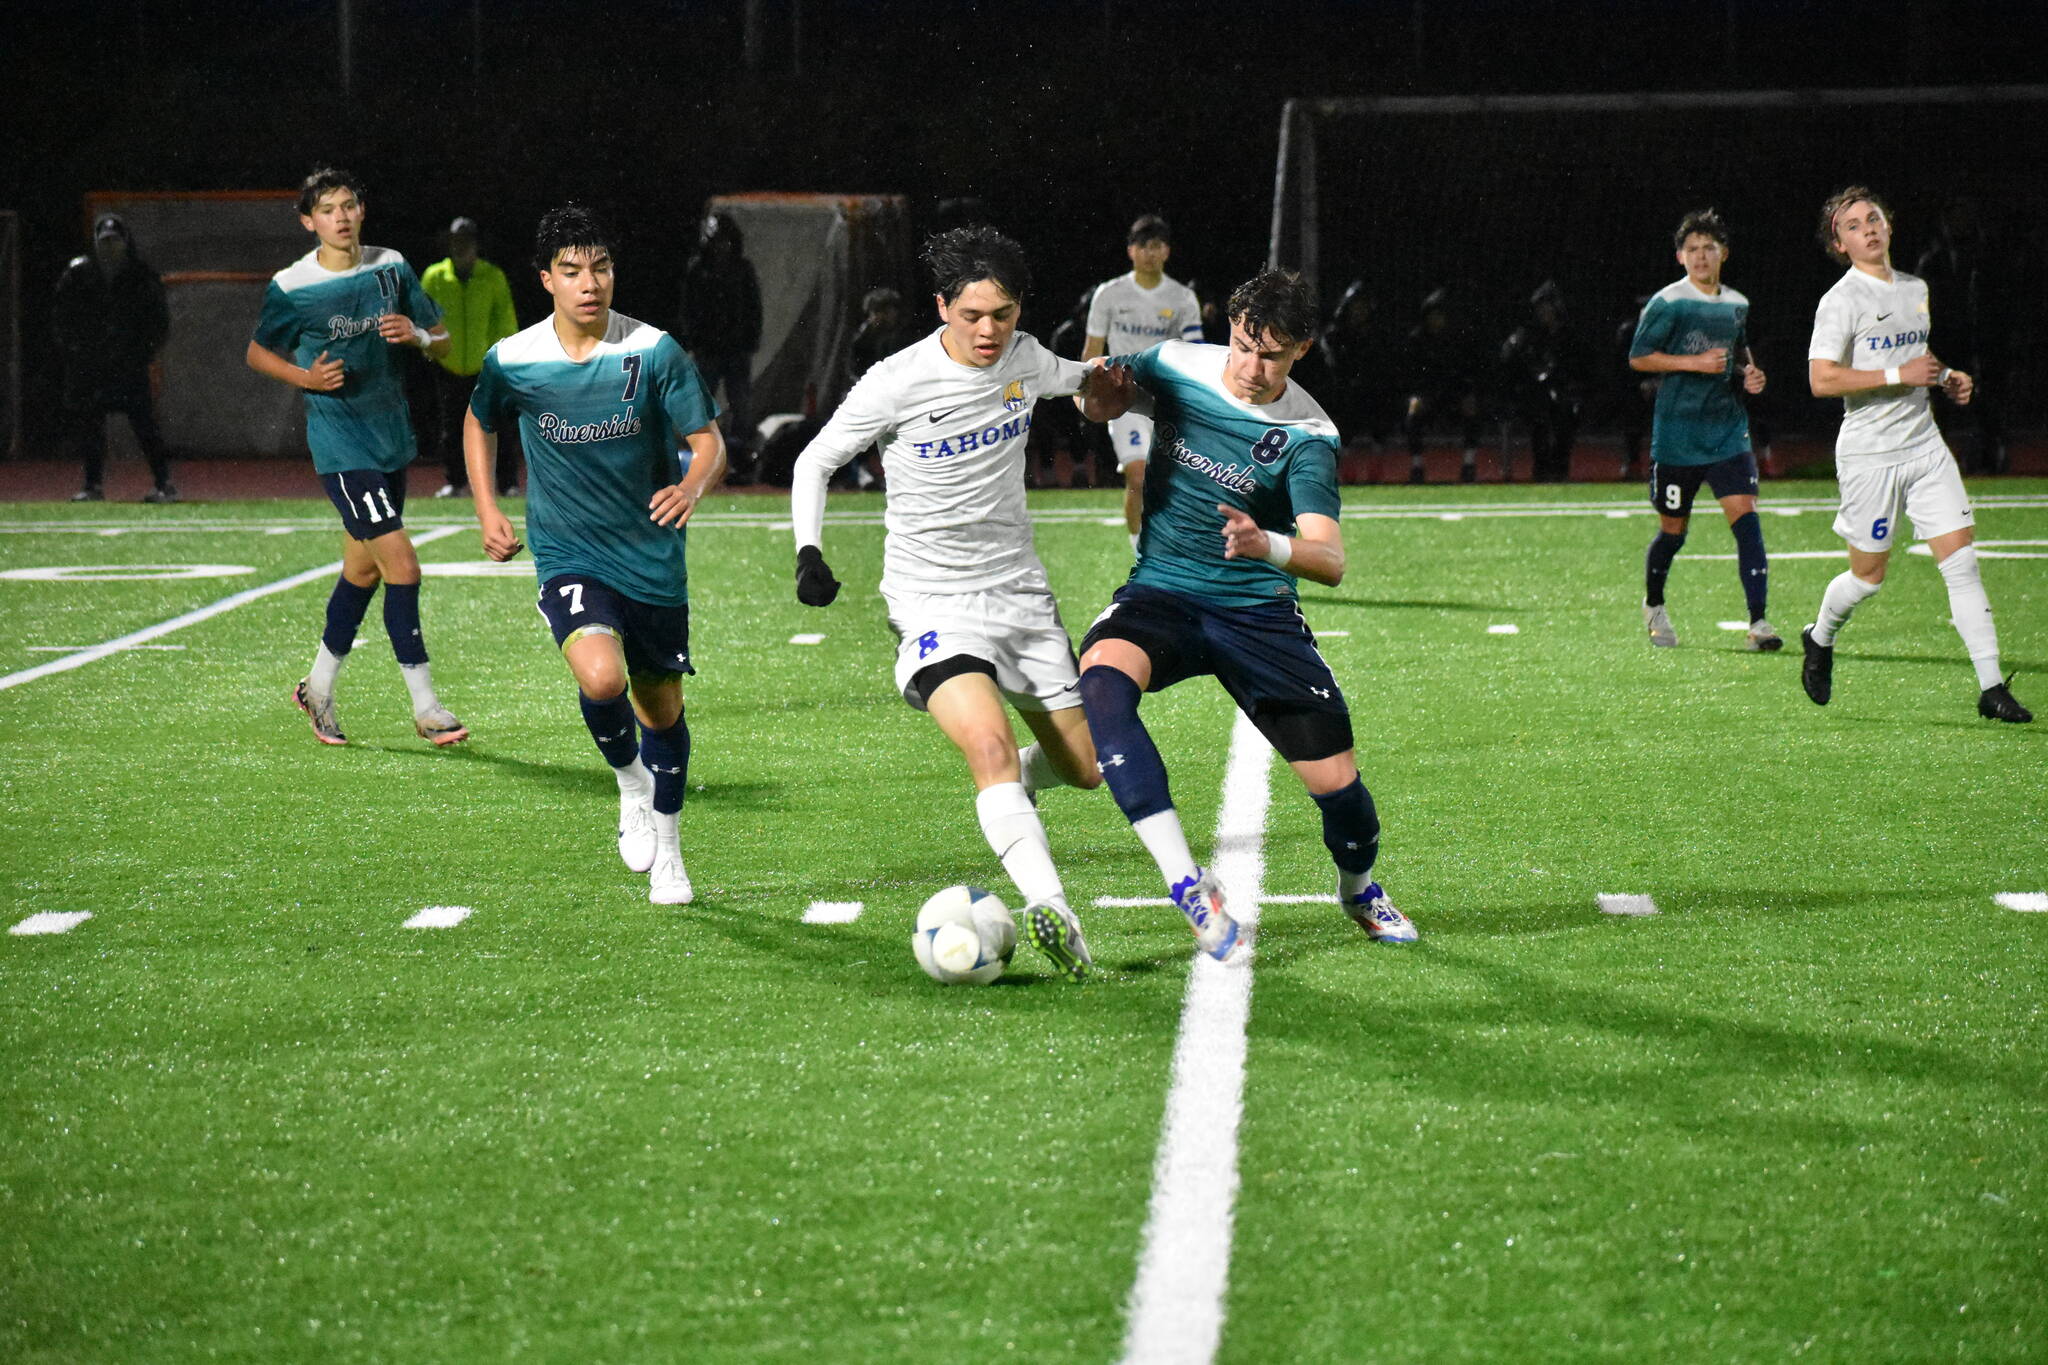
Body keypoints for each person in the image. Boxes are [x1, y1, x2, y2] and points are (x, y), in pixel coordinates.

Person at [788, 226, 1127, 981]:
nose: (987, 331)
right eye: (971, 314)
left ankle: (1013, 798)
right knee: (989, 747)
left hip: (1020, 594)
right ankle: (1055, 908)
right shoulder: (895, 380)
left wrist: (1105, 389)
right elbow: (815, 459)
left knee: (1088, 768)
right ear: (942, 306)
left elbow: (1082, 380)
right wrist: (809, 551)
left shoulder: (1026, 356)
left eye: (1002, 314)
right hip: (931, 598)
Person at [1075, 268, 1416, 961]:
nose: (1250, 368)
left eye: (1271, 355)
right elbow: (1100, 398)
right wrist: (1098, 401)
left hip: (1255, 612)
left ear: (1302, 351)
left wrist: (1269, 544)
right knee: (1102, 685)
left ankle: (1359, 888)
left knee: (1340, 792)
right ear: (1227, 328)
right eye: (1241, 345)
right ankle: (1187, 884)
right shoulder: (1175, 363)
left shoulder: (1307, 435)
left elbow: (1330, 558)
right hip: (1163, 592)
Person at [465, 204, 729, 903]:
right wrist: (488, 508)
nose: (591, 283)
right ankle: (628, 782)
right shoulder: (514, 359)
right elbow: (478, 419)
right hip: (569, 550)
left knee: (662, 708)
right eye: (574, 270)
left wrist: (692, 484)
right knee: (601, 677)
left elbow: (709, 443)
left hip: (651, 556)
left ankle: (671, 851)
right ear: (546, 278)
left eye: (602, 267)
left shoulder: (653, 350)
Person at [245, 167, 467, 748]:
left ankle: (316, 689)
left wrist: (416, 337)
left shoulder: (390, 266)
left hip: (390, 438)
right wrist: (307, 379)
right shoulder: (293, 286)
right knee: (403, 567)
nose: (340, 217)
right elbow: (256, 353)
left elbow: (442, 337)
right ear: (308, 221)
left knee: (361, 570)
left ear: (361, 210)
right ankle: (427, 708)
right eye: (327, 209)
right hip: (341, 447)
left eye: (348, 205)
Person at [1800, 187, 2030, 723]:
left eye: (1874, 217)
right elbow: (1820, 378)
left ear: (1889, 224)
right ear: (1840, 243)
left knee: (1962, 564)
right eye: (1854, 225)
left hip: (1925, 446)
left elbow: (1913, 353)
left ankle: (1991, 687)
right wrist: (1896, 376)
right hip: (1870, 456)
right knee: (1867, 578)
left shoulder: (1914, 288)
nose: (1869, 228)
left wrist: (1945, 376)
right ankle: (1820, 635)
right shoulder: (1840, 300)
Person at [1626, 210, 1777, 651]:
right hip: (1677, 436)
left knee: (1747, 523)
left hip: (1727, 432)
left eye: (1708, 248)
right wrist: (1691, 363)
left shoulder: (1737, 303)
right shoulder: (1667, 302)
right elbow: (1639, 357)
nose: (1700, 256)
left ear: (1723, 254)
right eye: (1692, 249)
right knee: (1674, 532)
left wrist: (1751, 374)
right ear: (1680, 256)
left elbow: (1739, 349)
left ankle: (1760, 623)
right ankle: (1654, 604)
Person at [1083, 215, 1205, 548]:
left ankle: (1180, 550)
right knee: (1137, 475)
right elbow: (1092, 351)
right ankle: (1142, 556)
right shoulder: (1109, 295)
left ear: (1167, 251)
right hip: (1123, 397)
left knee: (1173, 482)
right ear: (1130, 251)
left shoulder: (1182, 298)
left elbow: (1194, 353)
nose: (1150, 253)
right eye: (1143, 246)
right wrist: (1085, 393)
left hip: (1167, 398)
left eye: (1157, 246)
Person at [52, 214, 176, 502]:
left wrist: (142, 353)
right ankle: (92, 485)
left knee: (144, 425)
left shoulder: (140, 275)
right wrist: (76, 352)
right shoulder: (79, 274)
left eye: (115, 241)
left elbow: (158, 321)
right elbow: (63, 316)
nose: (109, 247)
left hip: (128, 364)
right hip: (92, 364)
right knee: (91, 426)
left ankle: (164, 482)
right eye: (104, 241)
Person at [422, 217, 521, 498]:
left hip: (485, 366)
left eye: (465, 241)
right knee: (452, 428)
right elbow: (422, 316)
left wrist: (503, 359)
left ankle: (508, 484)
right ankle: (455, 482)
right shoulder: (434, 276)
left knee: (498, 426)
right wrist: (429, 348)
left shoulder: (492, 277)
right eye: (455, 240)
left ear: (475, 244)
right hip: (448, 364)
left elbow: (504, 320)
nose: (459, 246)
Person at [677, 212, 762, 470]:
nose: (721, 247)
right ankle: (700, 455)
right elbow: (688, 308)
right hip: (708, 350)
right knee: (702, 404)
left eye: (725, 241)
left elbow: (753, 307)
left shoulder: (742, 269)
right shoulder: (698, 270)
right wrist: (694, 341)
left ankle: (739, 457)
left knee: (741, 405)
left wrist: (750, 339)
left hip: (736, 349)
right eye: (716, 242)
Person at [1500, 279, 1585, 483]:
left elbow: (1579, 368)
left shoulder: (1569, 335)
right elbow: (1511, 362)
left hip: (1563, 394)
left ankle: (1559, 466)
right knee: (1539, 416)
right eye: (1540, 308)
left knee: (1567, 414)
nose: (1544, 312)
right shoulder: (1529, 334)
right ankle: (1542, 466)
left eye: (1547, 307)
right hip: (1533, 396)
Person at [1401, 287, 1485, 483]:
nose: (1436, 320)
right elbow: (1410, 376)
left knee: (1473, 410)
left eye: (1440, 315)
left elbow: (1467, 373)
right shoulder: (1416, 341)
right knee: (1412, 412)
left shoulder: (1458, 340)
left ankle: (1469, 463)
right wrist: (1416, 396)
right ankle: (1417, 465)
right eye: (1432, 315)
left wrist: (1467, 395)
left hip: (1453, 397)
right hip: (1427, 398)